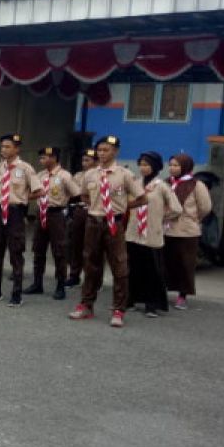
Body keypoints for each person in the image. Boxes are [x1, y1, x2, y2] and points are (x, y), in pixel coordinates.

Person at [69, 134, 145, 327]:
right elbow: (85, 196)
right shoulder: (90, 174)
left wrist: (121, 209)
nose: (102, 153)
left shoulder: (124, 174)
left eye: (107, 150)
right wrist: (97, 208)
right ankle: (86, 305)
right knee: (91, 264)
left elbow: (143, 198)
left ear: (116, 151)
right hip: (93, 222)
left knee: (119, 266)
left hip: (115, 223)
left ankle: (118, 309)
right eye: (100, 150)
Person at [0, 133, 41, 305]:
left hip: (15, 212)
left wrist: (21, 198)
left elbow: (39, 190)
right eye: (2, 147)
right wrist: (3, 198)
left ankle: (16, 293)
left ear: (16, 148)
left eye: (7, 147)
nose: (3, 150)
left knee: (16, 252)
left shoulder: (26, 168)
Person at [126, 151, 182, 318]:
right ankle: (131, 300)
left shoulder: (162, 186)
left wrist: (160, 218)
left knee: (152, 271)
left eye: (147, 165)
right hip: (133, 233)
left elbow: (177, 209)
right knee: (133, 269)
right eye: (141, 164)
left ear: (156, 166)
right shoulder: (136, 184)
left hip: (151, 235)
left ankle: (152, 304)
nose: (143, 168)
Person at [24, 146, 80, 300]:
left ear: (54, 158)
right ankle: (37, 283)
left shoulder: (65, 176)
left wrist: (68, 212)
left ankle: (60, 285)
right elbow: (33, 192)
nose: (42, 160)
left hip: (56, 214)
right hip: (41, 213)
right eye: (41, 157)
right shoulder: (40, 175)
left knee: (59, 251)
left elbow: (77, 194)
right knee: (38, 249)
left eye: (45, 157)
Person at [164, 153, 213, 310]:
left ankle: (182, 295)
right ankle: (161, 292)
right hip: (165, 230)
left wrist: (193, 219)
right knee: (165, 263)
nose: (172, 168)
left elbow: (205, 207)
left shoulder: (196, 185)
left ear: (186, 166)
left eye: (176, 165)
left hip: (187, 231)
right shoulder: (165, 183)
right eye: (171, 165)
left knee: (185, 264)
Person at [64, 149, 97, 287]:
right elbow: (72, 193)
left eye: (88, 160)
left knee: (92, 246)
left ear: (95, 162)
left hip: (94, 211)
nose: (84, 163)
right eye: (83, 160)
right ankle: (74, 275)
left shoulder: (99, 175)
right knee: (75, 244)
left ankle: (94, 279)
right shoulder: (78, 175)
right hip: (79, 210)